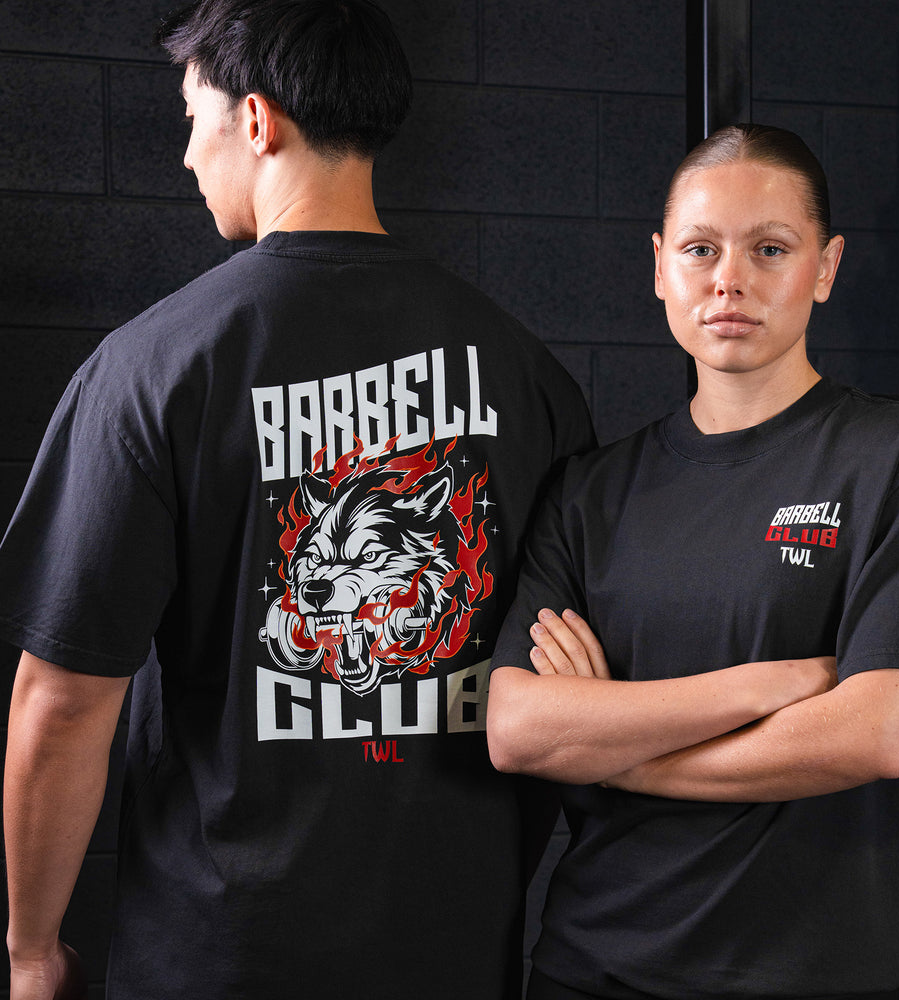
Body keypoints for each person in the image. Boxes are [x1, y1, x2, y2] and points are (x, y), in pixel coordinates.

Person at [0, 2, 595, 998]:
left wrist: (30, 950)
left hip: (217, 959)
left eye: (193, 118)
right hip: (452, 955)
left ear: (257, 121)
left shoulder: (152, 370)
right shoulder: (531, 378)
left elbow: (61, 703)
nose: (188, 155)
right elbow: (576, 695)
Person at [487, 123, 899, 1000]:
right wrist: (765, 687)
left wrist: (618, 751)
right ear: (659, 267)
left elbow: (875, 735)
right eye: (700, 249)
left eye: (770, 249)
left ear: (825, 268)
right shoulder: (589, 492)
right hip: (593, 970)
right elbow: (519, 728)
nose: (730, 280)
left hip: (816, 978)